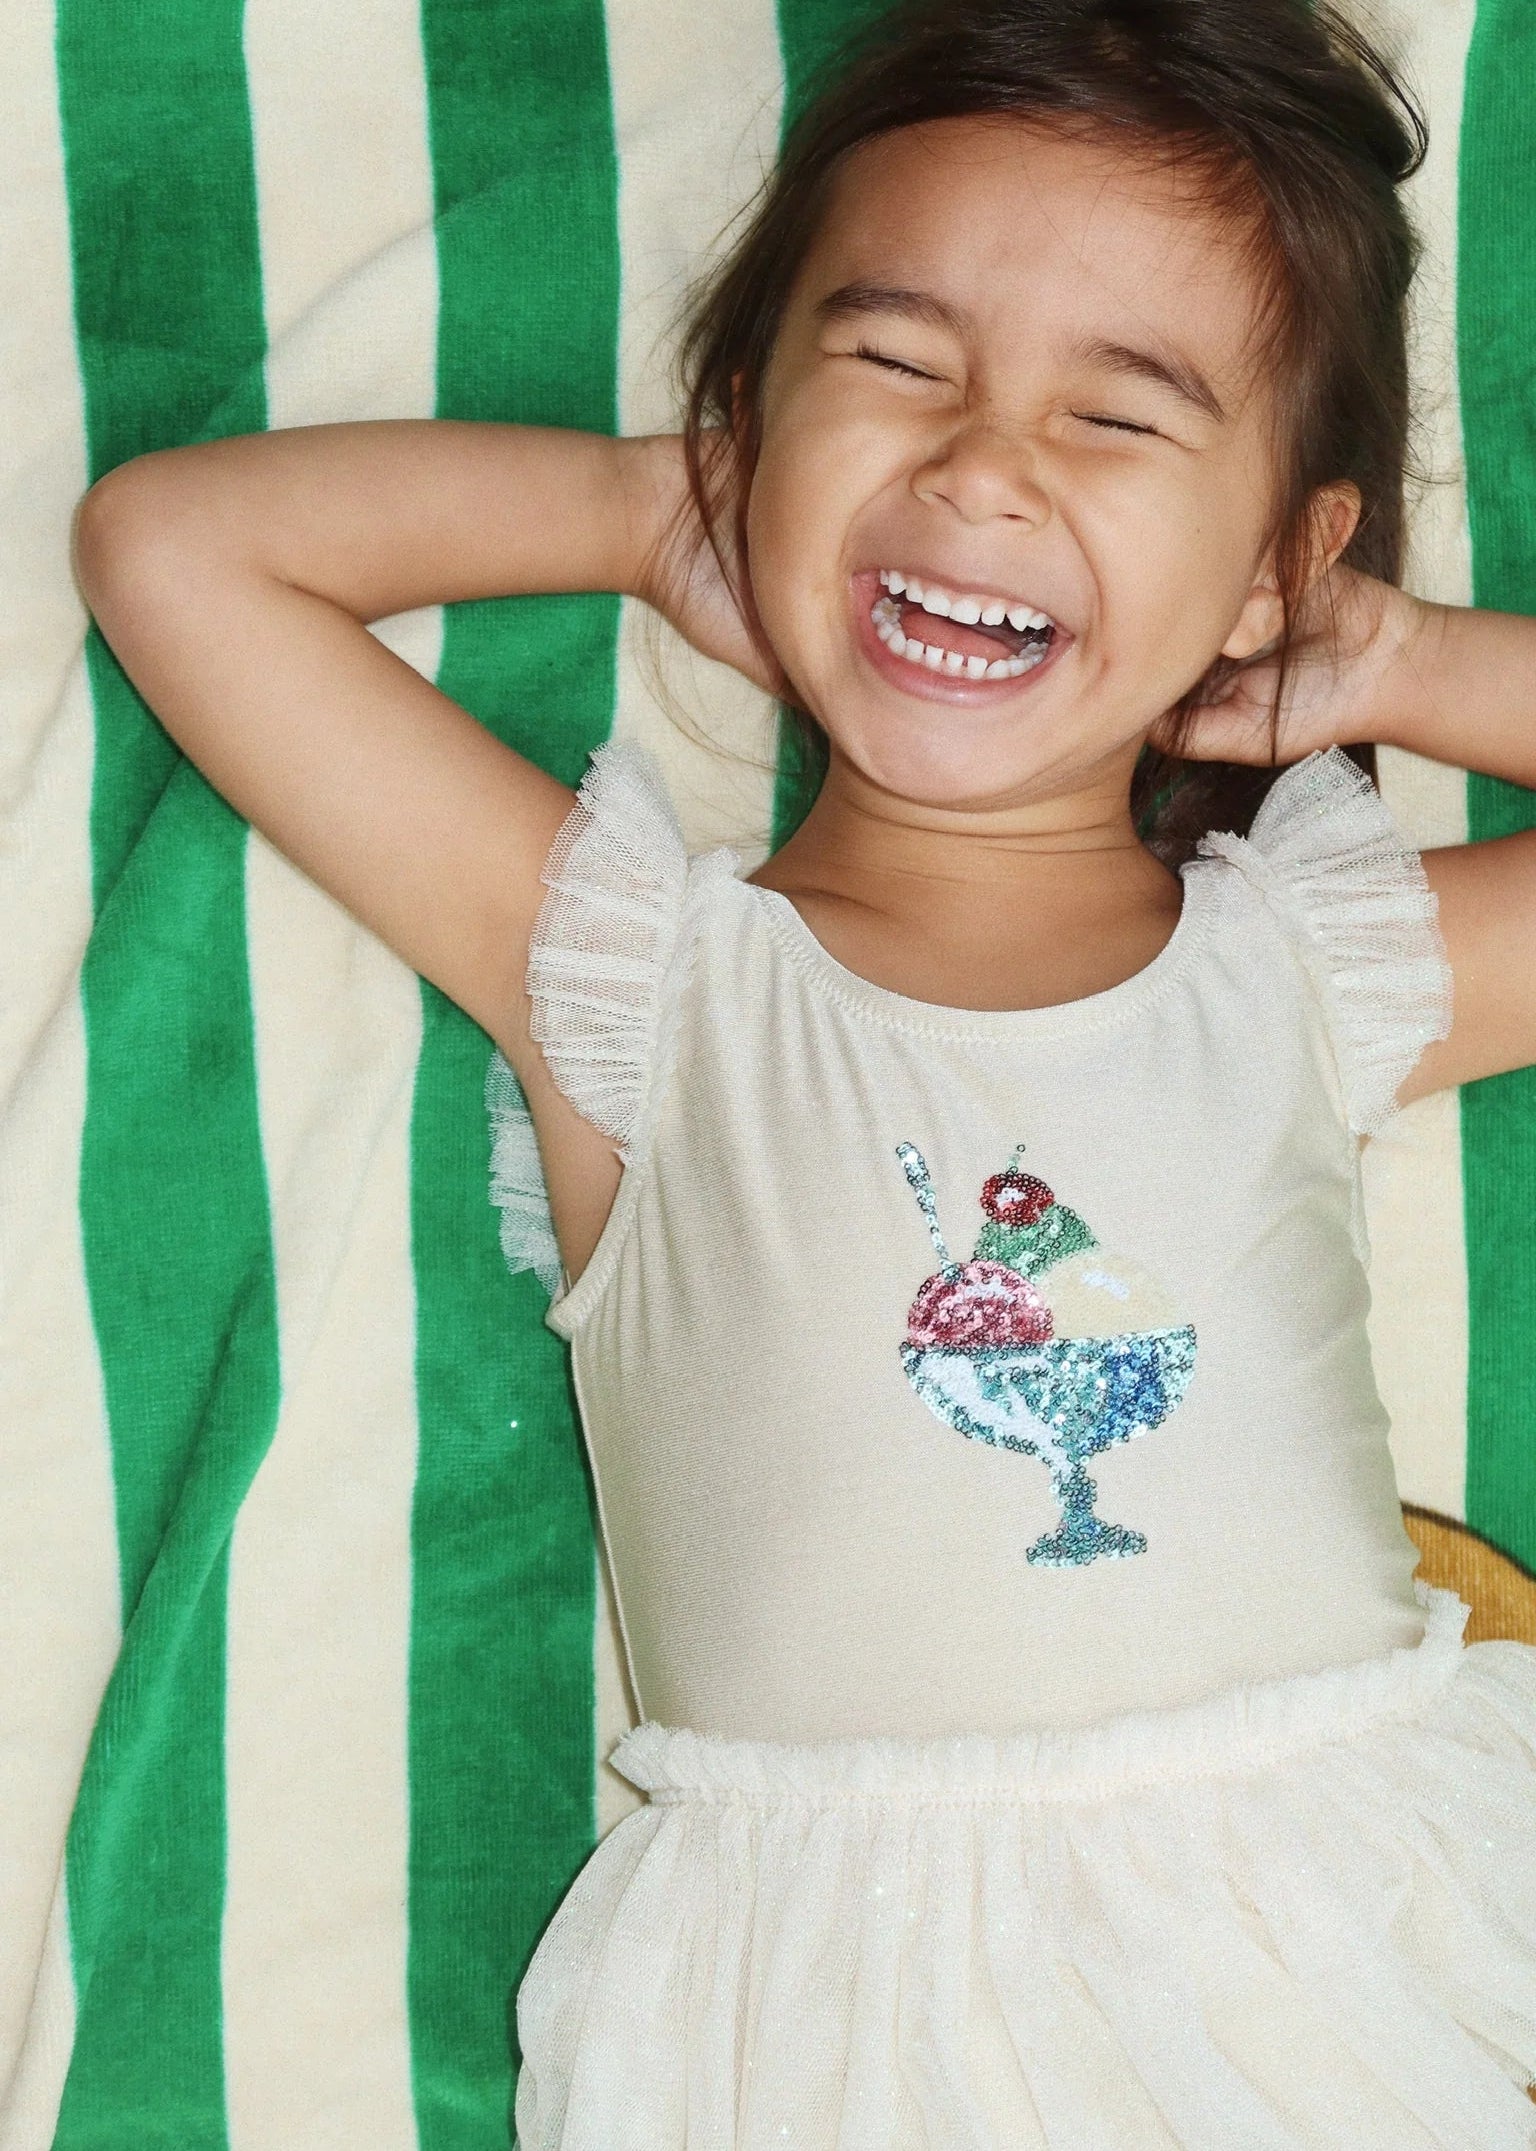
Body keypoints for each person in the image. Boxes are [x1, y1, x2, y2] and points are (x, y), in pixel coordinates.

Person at [73, 0, 1536, 2140]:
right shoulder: (642, 986)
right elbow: (176, 551)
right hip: (836, 2000)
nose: (981, 464)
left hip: (1336, 1915)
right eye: (896, 361)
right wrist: (647, 513)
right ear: (749, 418)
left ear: (1274, 565)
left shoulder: (1305, 964)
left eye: (1120, 419)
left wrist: (1395, 653)